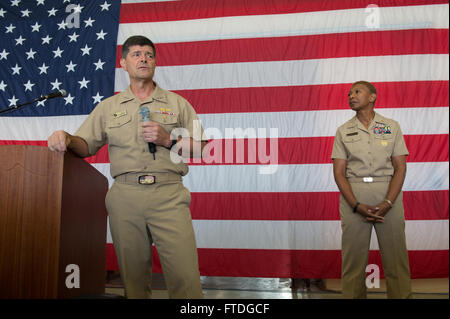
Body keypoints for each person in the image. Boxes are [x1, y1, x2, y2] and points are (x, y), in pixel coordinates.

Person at [48, 35, 207, 299]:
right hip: (125, 197)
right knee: (133, 281)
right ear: (123, 63)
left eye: (149, 55)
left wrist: (167, 139)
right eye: (136, 54)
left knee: (185, 278)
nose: (143, 58)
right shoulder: (109, 107)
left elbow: (201, 147)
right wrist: (65, 137)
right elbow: (85, 145)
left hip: (168, 195)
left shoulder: (178, 104)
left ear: (154, 63)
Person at [331, 81, 412, 299]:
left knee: (396, 260)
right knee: (353, 262)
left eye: (357, 91)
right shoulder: (343, 131)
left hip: (388, 194)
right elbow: (339, 172)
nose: (351, 96)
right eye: (349, 93)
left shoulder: (390, 126)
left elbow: (400, 167)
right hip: (354, 196)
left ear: (372, 97)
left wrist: (388, 203)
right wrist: (356, 205)